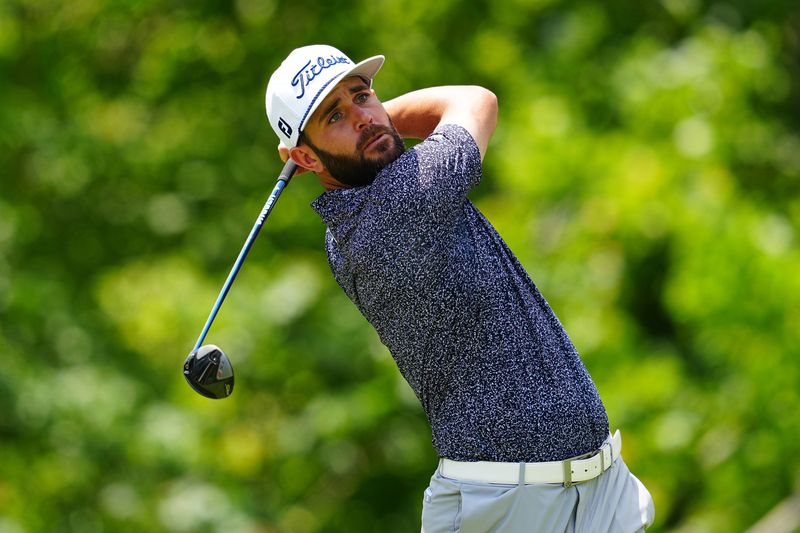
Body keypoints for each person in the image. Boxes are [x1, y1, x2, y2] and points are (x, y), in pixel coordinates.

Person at [265, 44, 655, 532]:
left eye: (362, 95)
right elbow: (475, 101)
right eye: (334, 116)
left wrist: (359, 124)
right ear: (304, 156)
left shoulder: (358, 216)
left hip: (594, 491)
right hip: (509, 508)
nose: (362, 117)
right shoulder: (400, 203)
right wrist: (378, 119)